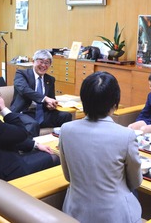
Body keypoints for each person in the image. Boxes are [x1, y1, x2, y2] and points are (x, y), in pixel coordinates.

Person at [59, 71, 142, 223]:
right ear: (115, 102)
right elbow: (136, 182)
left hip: (75, 212)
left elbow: (68, 176)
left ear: (84, 100)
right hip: (115, 216)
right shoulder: (126, 136)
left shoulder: (66, 129)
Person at [0, 77, 59, 181]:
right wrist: (4, 110)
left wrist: (35, 145)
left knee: (41, 153)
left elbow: (7, 137)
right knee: (54, 158)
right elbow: (22, 133)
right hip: (2, 173)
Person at [10, 49, 72, 137]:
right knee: (33, 124)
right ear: (33, 61)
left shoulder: (50, 79)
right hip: (24, 112)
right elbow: (24, 90)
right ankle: (31, 149)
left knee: (66, 116)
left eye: (47, 62)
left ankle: (62, 143)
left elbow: (51, 98)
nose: (43, 65)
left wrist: (50, 105)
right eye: (41, 61)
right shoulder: (22, 74)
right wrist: (45, 98)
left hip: (42, 113)